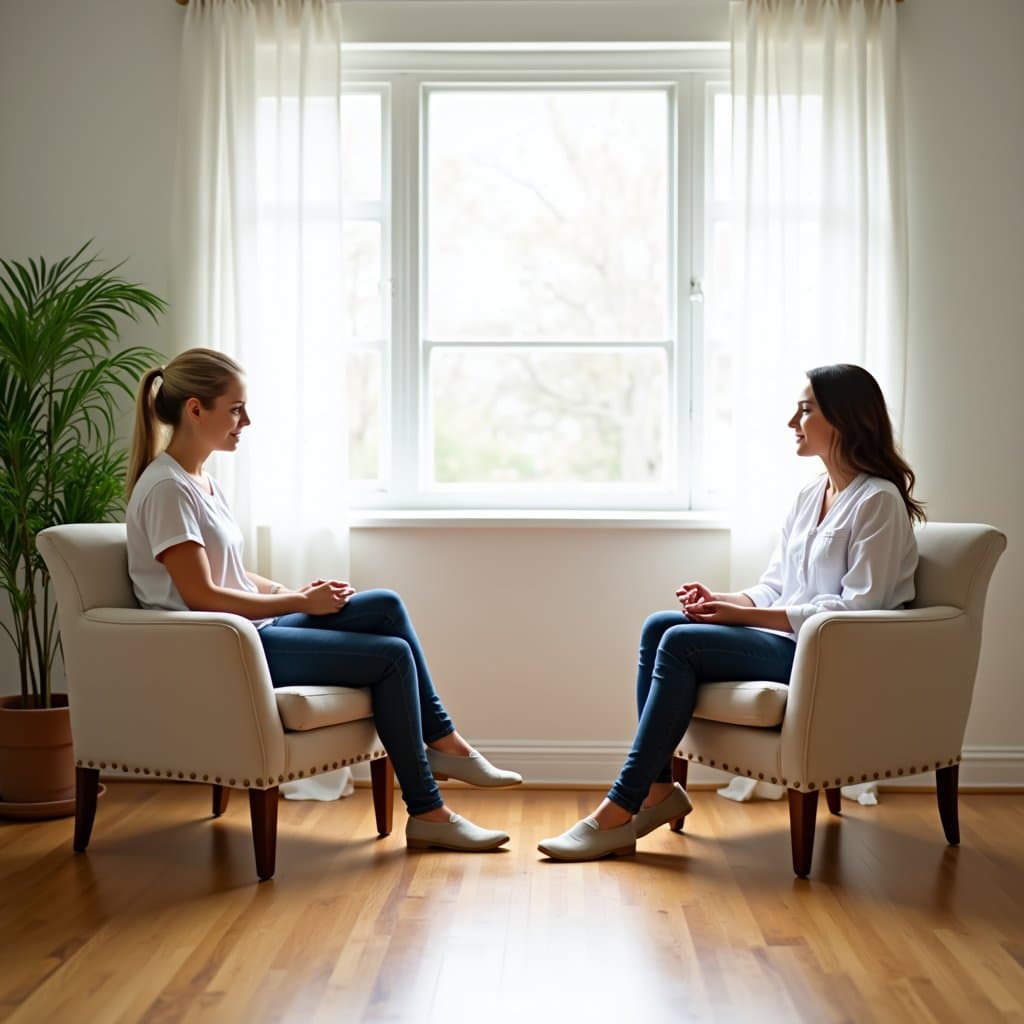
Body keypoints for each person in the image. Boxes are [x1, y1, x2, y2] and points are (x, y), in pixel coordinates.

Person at [125, 347, 521, 853]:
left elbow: (231, 573)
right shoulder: (166, 490)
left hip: (249, 633)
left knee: (385, 606)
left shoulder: (199, 481)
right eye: (236, 409)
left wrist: (295, 594)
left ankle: (446, 743)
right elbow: (201, 596)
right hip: (222, 649)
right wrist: (300, 604)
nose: (246, 421)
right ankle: (429, 811)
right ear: (196, 410)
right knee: (393, 658)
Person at [538, 363, 925, 862]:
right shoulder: (811, 496)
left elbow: (857, 609)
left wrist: (739, 619)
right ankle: (656, 792)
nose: (792, 422)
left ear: (846, 419)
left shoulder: (879, 502)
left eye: (805, 411)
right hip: (789, 644)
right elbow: (775, 586)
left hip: (830, 656)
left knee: (681, 642)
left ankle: (619, 808)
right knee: (661, 626)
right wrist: (725, 602)